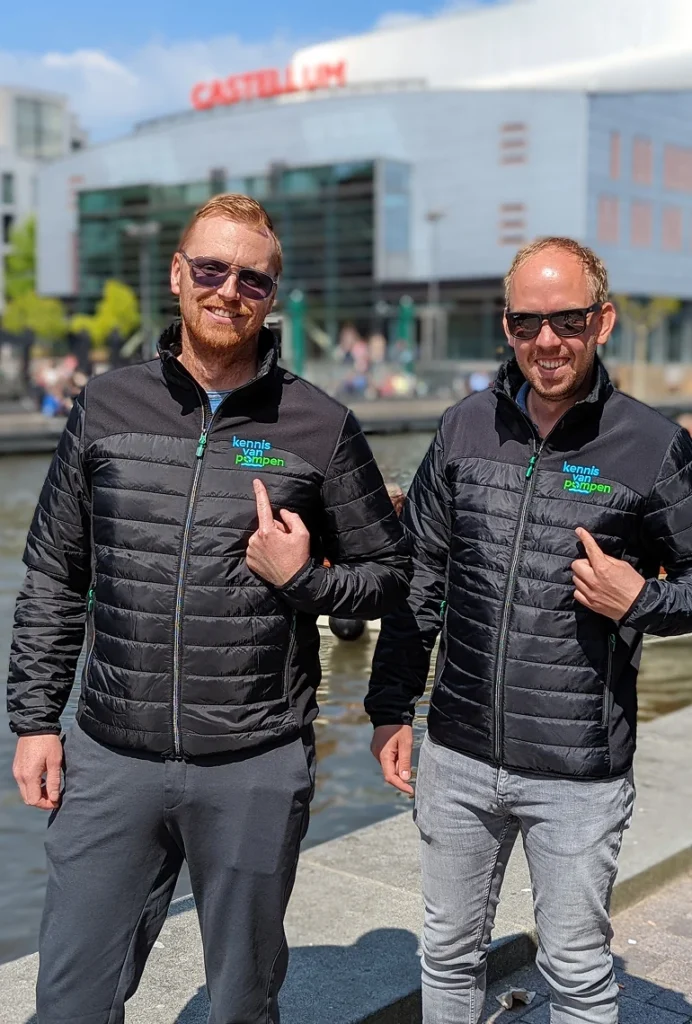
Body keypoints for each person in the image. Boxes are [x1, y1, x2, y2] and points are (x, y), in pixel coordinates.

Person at [7, 194, 410, 1024]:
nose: (230, 291)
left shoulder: (320, 425)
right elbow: (53, 569)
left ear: (272, 296)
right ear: (178, 275)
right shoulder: (105, 406)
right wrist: (36, 720)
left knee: (240, 1005)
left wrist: (306, 582)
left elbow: (391, 573)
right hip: (111, 756)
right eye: (212, 269)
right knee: (70, 1002)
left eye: (253, 279)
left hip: (254, 762)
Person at [366, 236, 692, 1023]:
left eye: (568, 320)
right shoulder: (465, 427)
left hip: (577, 769)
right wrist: (390, 709)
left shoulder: (652, 447)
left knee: (577, 972)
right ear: (507, 326)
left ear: (602, 321)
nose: (547, 340)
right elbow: (422, 579)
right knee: (445, 955)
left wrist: (638, 601)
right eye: (526, 322)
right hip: (458, 754)